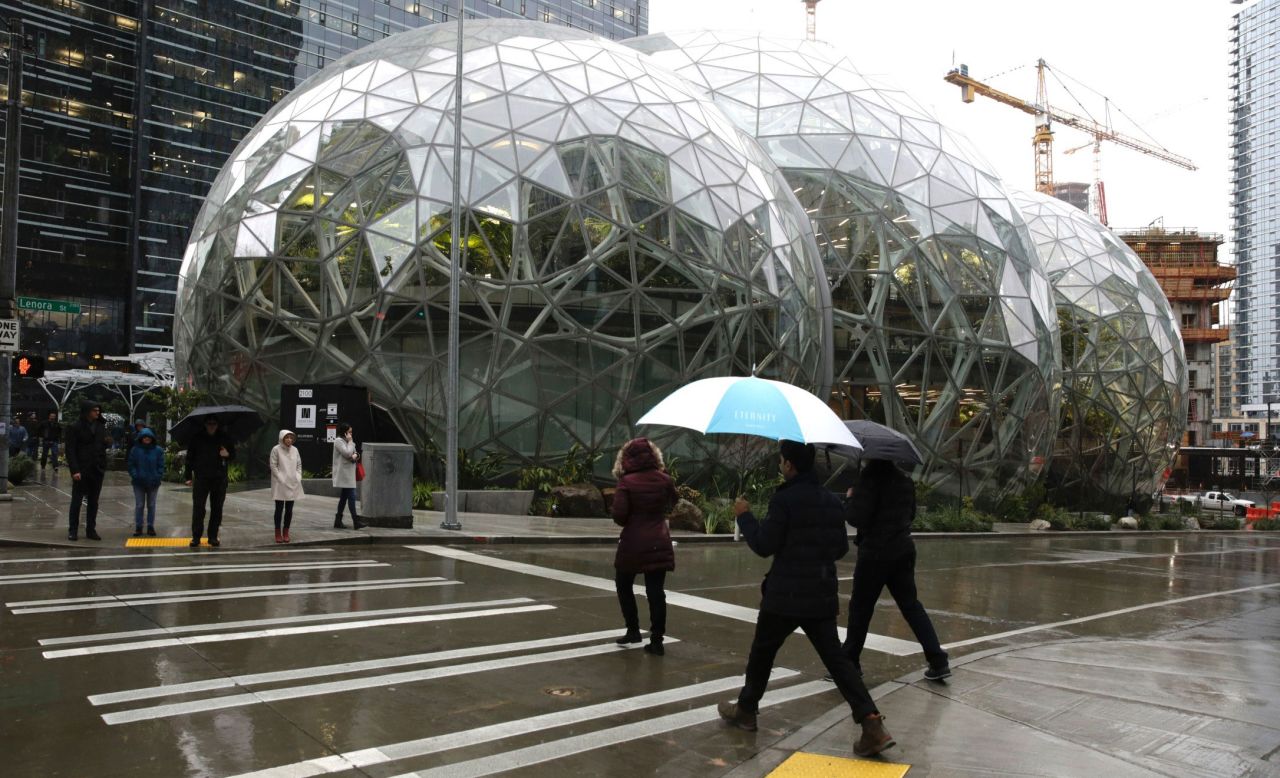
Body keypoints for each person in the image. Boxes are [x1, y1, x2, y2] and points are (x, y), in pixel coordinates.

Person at [717, 440, 894, 758]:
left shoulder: (784, 499)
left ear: (788, 465)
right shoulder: (829, 500)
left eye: (782, 461)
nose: (780, 466)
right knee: (838, 662)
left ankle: (746, 710)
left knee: (762, 654)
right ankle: (871, 723)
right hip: (819, 595)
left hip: (784, 595)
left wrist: (744, 517)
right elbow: (840, 548)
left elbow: (763, 544)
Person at [843, 458, 949, 682]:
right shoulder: (905, 480)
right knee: (911, 606)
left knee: (861, 608)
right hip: (902, 549)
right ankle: (937, 660)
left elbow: (856, 517)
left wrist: (851, 499)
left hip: (874, 552)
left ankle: (850, 662)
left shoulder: (869, 479)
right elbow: (910, 514)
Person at [610, 437, 678, 656]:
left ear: (626, 457)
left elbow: (619, 516)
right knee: (656, 592)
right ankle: (656, 640)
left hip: (633, 542)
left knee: (623, 583)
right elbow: (674, 502)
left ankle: (633, 630)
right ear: (654, 456)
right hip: (659, 540)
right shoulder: (665, 479)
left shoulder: (626, 482)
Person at [185, 416, 235, 548]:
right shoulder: (197, 438)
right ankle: (196, 537)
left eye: (214, 423)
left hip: (219, 479)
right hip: (201, 478)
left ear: (218, 425)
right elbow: (190, 458)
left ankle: (213, 536)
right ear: (205, 424)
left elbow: (233, 455)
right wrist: (188, 476)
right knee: (198, 508)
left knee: (217, 509)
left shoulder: (224, 438)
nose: (212, 426)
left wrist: (227, 454)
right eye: (209, 424)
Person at [64, 401, 108, 542]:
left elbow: (104, 443)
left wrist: (108, 442)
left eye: (98, 410)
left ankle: (91, 530)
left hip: (97, 469)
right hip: (82, 469)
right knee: (76, 501)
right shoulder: (75, 427)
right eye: (95, 410)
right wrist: (75, 470)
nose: (97, 412)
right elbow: (70, 450)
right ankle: (73, 530)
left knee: (93, 502)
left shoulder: (101, 426)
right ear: (87, 411)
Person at [126, 427, 164, 537]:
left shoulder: (158, 451)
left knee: (151, 505)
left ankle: (150, 526)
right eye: (145, 437)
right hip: (138, 482)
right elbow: (131, 464)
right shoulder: (135, 450)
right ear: (141, 438)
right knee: (139, 505)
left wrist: (158, 476)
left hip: (153, 482)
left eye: (149, 437)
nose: (147, 439)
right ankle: (139, 526)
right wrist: (135, 475)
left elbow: (161, 465)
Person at [270, 429, 304, 543]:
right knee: (279, 509)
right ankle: (277, 532)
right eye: (287, 437)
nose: (289, 439)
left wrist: (298, 476)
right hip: (280, 483)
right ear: (282, 438)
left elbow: (299, 465)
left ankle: (286, 532)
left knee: (289, 509)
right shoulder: (276, 449)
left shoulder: (295, 450)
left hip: (293, 483)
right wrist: (280, 477)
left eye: (291, 437)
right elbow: (273, 465)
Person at [331, 422, 365, 529]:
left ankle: (338, 520)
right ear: (344, 432)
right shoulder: (338, 441)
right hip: (344, 474)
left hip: (349, 473)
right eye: (349, 432)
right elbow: (348, 454)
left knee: (344, 498)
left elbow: (355, 454)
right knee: (351, 497)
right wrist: (351, 446)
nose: (351, 434)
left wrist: (355, 455)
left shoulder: (348, 441)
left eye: (351, 432)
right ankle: (356, 521)